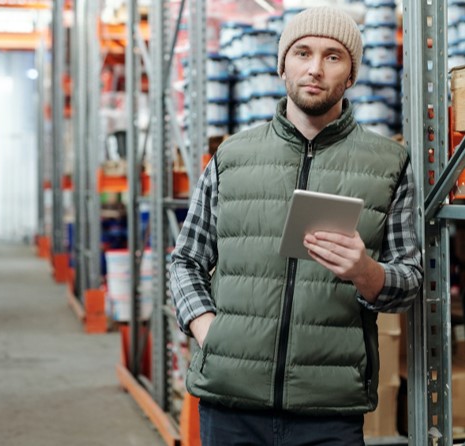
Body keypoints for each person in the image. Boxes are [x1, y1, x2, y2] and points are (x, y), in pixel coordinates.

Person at [170, 6, 423, 446]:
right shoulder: (232, 157)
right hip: (231, 403)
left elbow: (411, 279)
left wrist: (367, 272)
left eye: (333, 57)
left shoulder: (389, 164)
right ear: (282, 65)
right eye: (303, 53)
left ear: (351, 75)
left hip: (329, 410)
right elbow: (186, 260)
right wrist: (209, 331)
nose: (315, 68)